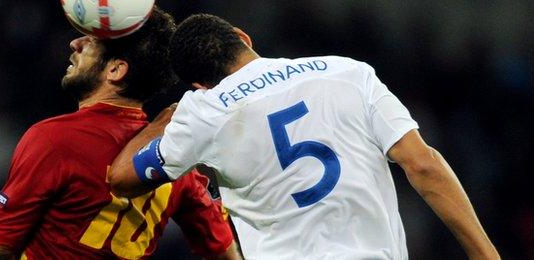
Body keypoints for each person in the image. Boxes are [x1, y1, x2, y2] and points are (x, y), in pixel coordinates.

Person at [107, 14, 500, 259]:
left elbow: (122, 178)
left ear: (198, 83)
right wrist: (484, 252)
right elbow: (423, 164)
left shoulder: (204, 111)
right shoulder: (348, 72)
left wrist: (166, 118)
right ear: (243, 38)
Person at [0, 8, 240, 260]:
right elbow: (225, 253)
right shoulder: (175, 156)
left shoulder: (54, 140)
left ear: (116, 70)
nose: (75, 44)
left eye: (91, 43)